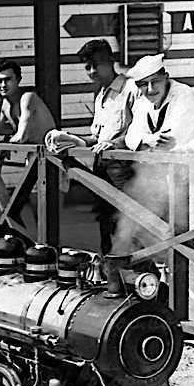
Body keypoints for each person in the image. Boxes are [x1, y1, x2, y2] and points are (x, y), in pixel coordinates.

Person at [45, 39, 141, 254]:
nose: (92, 71)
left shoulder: (131, 89)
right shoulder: (101, 96)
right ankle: (112, 278)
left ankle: (143, 279)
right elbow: (97, 138)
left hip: (125, 169)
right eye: (87, 67)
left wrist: (115, 143)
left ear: (111, 61)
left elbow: (139, 131)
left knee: (128, 225)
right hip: (102, 167)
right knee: (106, 222)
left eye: (96, 64)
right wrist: (70, 139)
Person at [124, 54, 194, 152]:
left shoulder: (184, 96)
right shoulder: (143, 103)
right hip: (162, 162)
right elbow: (130, 137)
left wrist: (144, 140)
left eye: (155, 81)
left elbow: (172, 139)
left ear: (166, 77)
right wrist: (150, 140)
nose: (150, 90)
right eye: (143, 84)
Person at [0, 59, 56, 143]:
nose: (3, 85)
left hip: (51, 153)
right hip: (31, 153)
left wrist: (7, 144)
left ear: (18, 79)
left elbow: (21, 137)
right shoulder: (4, 104)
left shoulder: (28, 98)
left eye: (8, 80)